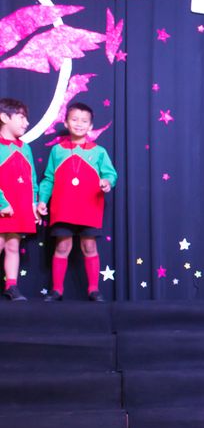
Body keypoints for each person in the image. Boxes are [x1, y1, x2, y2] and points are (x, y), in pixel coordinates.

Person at [38, 102, 118, 302]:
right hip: (63, 209)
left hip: (90, 208)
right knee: (62, 247)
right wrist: (42, 200)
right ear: (66, 122)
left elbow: (110, 174)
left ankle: (93, 290)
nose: (79, 124)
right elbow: (48, 178)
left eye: (84, 121)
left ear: (91, 126)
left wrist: (107, 182)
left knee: (89, 247)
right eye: (74, 119)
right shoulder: (57, 150)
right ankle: (57, 290)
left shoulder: (99, 151)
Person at [0, 98, 39, 302]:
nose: (27, 123)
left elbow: (32, 178)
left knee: (13, 245)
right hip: (3, 207)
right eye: (21, 117)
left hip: (19, 207)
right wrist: (2, 203)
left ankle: (12, 286)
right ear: (4, 117)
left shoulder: (25, 148)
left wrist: (33, 204)